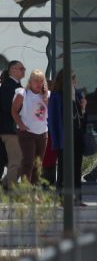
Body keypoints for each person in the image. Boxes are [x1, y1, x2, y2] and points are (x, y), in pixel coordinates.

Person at [44, 69, 86, 197]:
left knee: (77, 167)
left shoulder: (77, 95)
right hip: (65, 137)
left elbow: (81, 117)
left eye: (74, 79)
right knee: (63, 167)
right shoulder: (57, 95)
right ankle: (61, 197)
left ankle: (77, 198)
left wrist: (83, 108)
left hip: (77, 135)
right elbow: (53, 118)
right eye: (73, 79)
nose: (75, 82)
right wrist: (56, 138)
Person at [12, 69, 50, 184]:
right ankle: (25, 189)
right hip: (27, 133)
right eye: (36, 81)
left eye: (41, 81)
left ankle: (34, 189)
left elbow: (50, 112)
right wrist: (21, 125)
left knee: (38, 164)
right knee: (28, 162)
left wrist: (45, 97)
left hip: (42, 133)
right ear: (30, 82)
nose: (39, 83)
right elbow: (14, 111)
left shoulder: (47, 95)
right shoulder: (22, 93)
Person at [0, 59, 24, 189]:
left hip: (13, 128)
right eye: (21, 69)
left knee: (17, 159)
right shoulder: (8, 86)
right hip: (9, 129)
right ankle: (10, 187)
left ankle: (7, 184)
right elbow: (7, 107)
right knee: (16, 159)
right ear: (13, 70)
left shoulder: (15, 86)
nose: (24, 71)